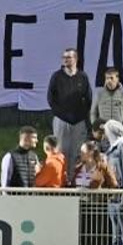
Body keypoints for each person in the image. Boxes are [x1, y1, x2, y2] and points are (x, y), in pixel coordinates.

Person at [47, 48, 92, 184]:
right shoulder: (57, 76)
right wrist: (60, 114)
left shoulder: (82, 77)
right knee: (61, 151)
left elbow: (88, 98)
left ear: (76, 59)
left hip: (78, 121)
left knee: (77, 153)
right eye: (64, 57)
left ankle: (74, 181)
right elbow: (51, 98)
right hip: (62, 120)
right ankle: (61, 180)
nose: (66, 60)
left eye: (69, 57)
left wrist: (81, 114)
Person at [90, 67, 123, 132]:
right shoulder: (99, 94)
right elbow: (93, 113)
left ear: (117, 79)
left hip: (118, 132)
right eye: (107, 78)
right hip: (103, 132)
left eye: (111, 78)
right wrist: (97, 126)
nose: (109, 81)